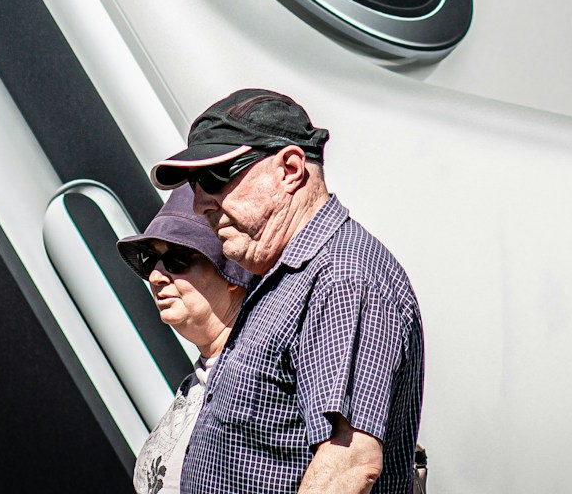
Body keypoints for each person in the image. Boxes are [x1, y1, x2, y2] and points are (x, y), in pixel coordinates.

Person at [151, 88, 425, 494]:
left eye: (213, 178)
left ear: (291, 168)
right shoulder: (289, 275)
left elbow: (348, 463)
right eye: (194, 185)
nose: (199, 204)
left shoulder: (342, 277)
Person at [117, 185, 252, 494]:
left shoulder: (266, 378)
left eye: (177, 259)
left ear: (231, 273)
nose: (155, 276)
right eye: (150, 259)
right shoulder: (198, 381)